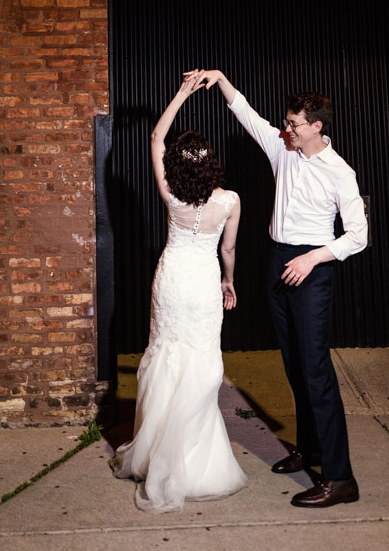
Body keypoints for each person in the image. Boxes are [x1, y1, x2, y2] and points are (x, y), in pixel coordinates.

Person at [190, 68, 368, 509]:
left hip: (312, 268)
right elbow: (245, 112)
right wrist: (221, 79)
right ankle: (309, 451)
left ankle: (340, 478)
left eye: (293, 124)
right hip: (277, 262)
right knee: (293, 365)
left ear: (316, 127)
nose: (286, 129)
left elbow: (358, 235)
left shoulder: (339, 172)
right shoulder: (282, 148)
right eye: (286, 123)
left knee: (316, 371)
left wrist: (312, 258)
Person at [109, 73, 247, 513]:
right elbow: (228, 249)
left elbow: (155, 136)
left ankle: (154, 455)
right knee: (202, 363)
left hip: (170, 281)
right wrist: (229, 280)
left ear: (179, 166)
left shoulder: (171, 197)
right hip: (204, 283)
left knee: (166, 357)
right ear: (210, 165)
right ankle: (194, 460)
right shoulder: (229, 201)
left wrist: (182, 94)